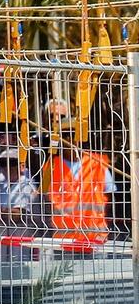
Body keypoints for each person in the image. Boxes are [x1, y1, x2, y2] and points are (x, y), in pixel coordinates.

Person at [44, 99, 115, 242]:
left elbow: (112, 200)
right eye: (65, 135)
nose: (70, 139)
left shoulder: (98, 164)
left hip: (95, 237)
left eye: (73, 134)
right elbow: (44, 202)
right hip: (63, 239)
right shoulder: (50, 166)